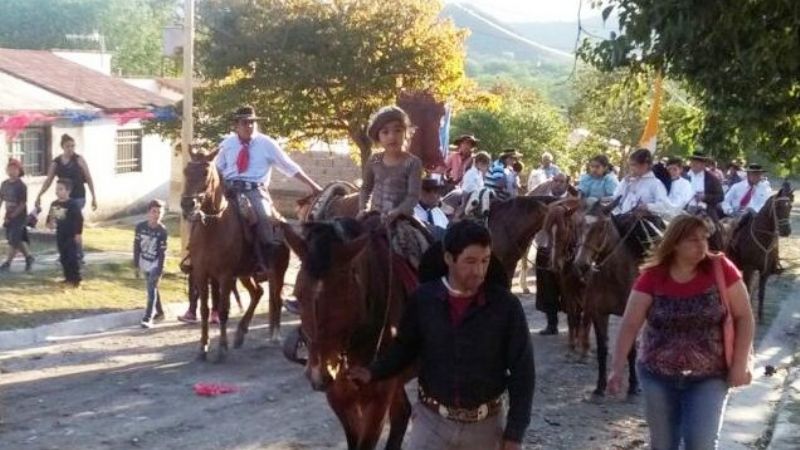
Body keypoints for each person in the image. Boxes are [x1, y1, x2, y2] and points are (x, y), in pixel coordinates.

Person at [347, 220, 535, 450]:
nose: (479, 271)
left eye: (485, 261)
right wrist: (373, 371)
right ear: (448, 259)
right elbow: (404, 348)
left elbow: (523, 373)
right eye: (470, 261)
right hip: (431, 423)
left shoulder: (507, 307)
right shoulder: (422, 300)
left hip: (486, 427)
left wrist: (514, 434)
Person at [608, 215, 754, 450]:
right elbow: (630, 324)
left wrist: (739, 363)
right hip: (657, 375)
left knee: (700, 443)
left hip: (710, 375)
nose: (702, 245)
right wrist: (616, 369)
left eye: (704, 239)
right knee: (663, 444)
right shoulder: (652, 276)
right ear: (675, 243)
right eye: (693, 240)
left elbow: (744, 316)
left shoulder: (721, 269)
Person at [216, 105, 322, 271]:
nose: (249, 126)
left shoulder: (266, 143)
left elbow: (288, 166)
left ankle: (265, 259)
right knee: (204, 213)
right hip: (229, 188)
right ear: (236, 125)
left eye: (252, 123)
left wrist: (312, 185)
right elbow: (217, 168)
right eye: (245, 123)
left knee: (264, 217)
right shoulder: (227, 144)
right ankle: (194, 256)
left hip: (255, 189)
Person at [35, 134, 97, 263]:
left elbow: (89, 177)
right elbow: (49, 180)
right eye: (68, 146)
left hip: (78, 198)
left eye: (73, 146)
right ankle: (64, 253)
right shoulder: (56, 162)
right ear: (62, 147)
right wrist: (39, 194)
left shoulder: (79, 159)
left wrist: (94, 197)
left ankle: (78, 255)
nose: (71, 149)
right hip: (62, 200)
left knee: (73, 226)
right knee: (61, 225)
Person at [360, 106, 423, 219]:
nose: (392, 136)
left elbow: (413, 196)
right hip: (374, 218)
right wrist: (363, 209)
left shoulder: (413, 163)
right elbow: (365, 188)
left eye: (398, 130)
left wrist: (398, 212)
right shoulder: (374, 160)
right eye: (385, 132)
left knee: (425, 236)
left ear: (406, 133)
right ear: (378, 137)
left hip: (402, 220)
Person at [134, 200, 168, 329]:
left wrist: (160, 269)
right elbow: (136, 246)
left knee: (151, 288)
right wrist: (136, 264)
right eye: (154, 211)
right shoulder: (140, 227)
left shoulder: (162, 231)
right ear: (148, 212)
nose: (157, 215)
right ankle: (160, 312)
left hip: (156, 262)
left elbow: (162, 252)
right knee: (152, 289)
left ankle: (148, 317)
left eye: (160, 212)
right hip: (144, 261)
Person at [46, 179, 83, 287]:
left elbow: (79, 219)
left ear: (68, 191)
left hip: (71, 235)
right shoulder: (55, 204)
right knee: (63, 257)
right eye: (56, 189)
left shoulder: (72, 204)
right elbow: (52, 217)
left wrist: (78, 234)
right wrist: (50, 223)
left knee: (72, 257)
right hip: (60, 234)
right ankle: (67, 277)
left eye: (60, 189)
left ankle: (76, 279)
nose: (58, 191)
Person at [0, 159, 34, 272]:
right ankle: (29, 257)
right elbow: (1, 198)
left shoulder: (21, 186)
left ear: (19, 171)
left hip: (19, 216)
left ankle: (7, 263)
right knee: (14, 238)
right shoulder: (4, 184)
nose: (12, 171)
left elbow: (22, 203)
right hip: (8, 214)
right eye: (10, 168)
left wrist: (13, 215)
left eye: (15, 169)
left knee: (14, 239)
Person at [613, 148, 670, 216]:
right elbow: (616, 198)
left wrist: (647, 206)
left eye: (634, 165)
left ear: (645, 165)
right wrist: (624, 183)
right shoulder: (629, 180)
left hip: (642, 221)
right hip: (623, 218)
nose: (631, 168)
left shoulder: (655, 184)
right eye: (630, 165)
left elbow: (664, 206)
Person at [686, 151, 724, 219]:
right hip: (684, 210)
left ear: (703, 164)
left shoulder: (712, 178)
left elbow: (721, 196)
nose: (694, 164)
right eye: (692, 161)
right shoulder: (685, 176)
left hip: (705, 212)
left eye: (697, 162)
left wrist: (705, 197)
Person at [414, 176, 449, 241]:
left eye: (439, 193)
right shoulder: (413, 212)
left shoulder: (437, 211)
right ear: (422, 193)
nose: (439, 197)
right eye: (435, 192)